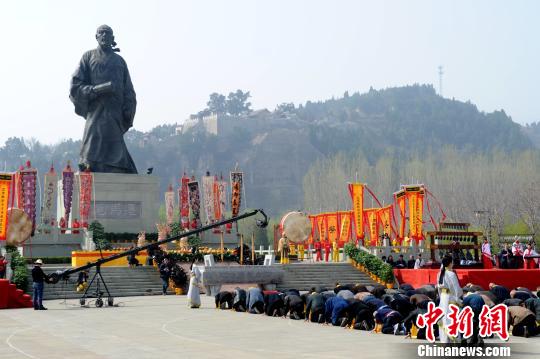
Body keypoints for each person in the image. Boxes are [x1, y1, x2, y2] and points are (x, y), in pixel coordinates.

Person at [69, 25, 137, 174]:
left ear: (113, 38)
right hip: (96, 111)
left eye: (108, 33)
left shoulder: (120, 62)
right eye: (101, 33)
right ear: (96, 37)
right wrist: (97, 89)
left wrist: (128, 109)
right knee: (90, 149)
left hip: (114, 114)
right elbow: (75, 86)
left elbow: (129, 91)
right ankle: (89, 165)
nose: (104, 36)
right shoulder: (88, 57)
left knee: (118, 151)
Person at [437, 255, 463, 343]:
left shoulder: (440, 273)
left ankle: (444, 340)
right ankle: (454, 340)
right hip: (450, 297)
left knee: (444, 319)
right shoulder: (451, 274)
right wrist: (459, 297)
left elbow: (438, 288)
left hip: (443, 298)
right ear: (449, 263)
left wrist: (441, 297)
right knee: (451, 319)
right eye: (452, 262)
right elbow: (456, 289)